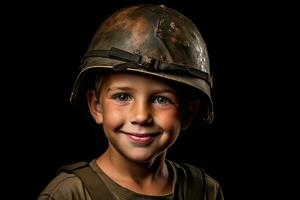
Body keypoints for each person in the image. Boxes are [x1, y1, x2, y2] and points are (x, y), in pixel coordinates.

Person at [38, 4, 224, 200]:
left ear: (187, 113)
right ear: (96, 105)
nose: (141, 116)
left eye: (161, 99)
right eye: (122, 97)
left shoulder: (205, 192)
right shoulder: (69, 195)